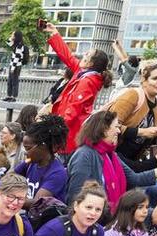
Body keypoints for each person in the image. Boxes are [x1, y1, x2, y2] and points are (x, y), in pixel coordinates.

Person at [65, 111, 157, 210]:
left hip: (111, 216)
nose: (119, 131)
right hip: (94, 219)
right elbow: (75, 197)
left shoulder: (111, 155)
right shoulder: (84, 155)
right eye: (116, 127)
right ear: (104, 129)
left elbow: (135, 179)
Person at [44, 21, 112, 153]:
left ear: (90, 63)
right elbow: (68, 57)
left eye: (87, 54)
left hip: (68, 135)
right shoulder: (83, 73)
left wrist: (55, 129)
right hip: (67, 131)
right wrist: (55, 33)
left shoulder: (87, 81)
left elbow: (73, 109)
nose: (84, 54)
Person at [108, 61, 157, 171]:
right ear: (144, 80)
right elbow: (108, 124)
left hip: (134, 159)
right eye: (155, 78)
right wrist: (142, 132)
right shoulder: (133, 95)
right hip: (113, 154)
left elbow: (151, 140)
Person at [7, 31, 27, 101]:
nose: (11, 35)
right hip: (12, 64)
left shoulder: (19, 45)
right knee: (10, 81)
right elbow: (8, 42)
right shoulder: (15, 44)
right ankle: (9, 95)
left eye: (13, 34)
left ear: (16, 36)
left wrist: (13, 67)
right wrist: (11, 38)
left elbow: (17, 57)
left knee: (14, 81)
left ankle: (14, 96)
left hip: (16, 65)